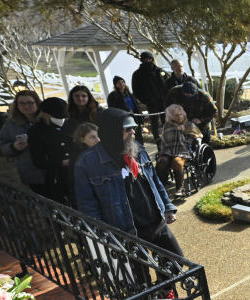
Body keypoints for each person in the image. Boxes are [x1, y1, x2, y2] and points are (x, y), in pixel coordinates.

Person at [73, 108, 182, 256]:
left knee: (177, 266)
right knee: (141, 278)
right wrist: (104, 237)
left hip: (156, 222)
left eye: (133, 128)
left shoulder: (137, 148)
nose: (133, 132)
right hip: (127, 234)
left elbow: (154, 180)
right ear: (111, 131)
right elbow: (88, 206)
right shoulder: (86, 163)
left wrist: (167, 207)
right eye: (127, 129)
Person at [27, 97, 73, 204]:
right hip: (57, 177)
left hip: (78, 172)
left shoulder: (71, 124)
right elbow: (38, 161)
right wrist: (62, 162)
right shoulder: (36, 131)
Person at [0, 90, 45, 193]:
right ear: (17, 105)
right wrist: (13, 147)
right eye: (22, 103)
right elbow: (1, 146)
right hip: (31, 173)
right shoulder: (12, 124)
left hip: (52, 170)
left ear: (37, 103)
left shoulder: (47, 120)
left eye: (30, 103)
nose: (26, 106)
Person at [156, 104, 201, 197]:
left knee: (176, 161)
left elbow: (198, 137)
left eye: (180, 114)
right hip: (168, 151)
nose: (179, 117)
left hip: (183, 150)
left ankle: (180, 188)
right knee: (162, 162)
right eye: (176, 115)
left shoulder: (189, 124)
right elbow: (164, 141)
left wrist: (184, 132)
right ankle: (160, 186)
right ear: (171, 117)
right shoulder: (167, 126)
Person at [132, 51, 168, 147]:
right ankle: (158, 143)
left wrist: (166, 97)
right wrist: (146, 100)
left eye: (149, 58)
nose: (147, 60)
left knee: (166, 122)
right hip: (151, 103)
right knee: (154, 124)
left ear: (152, 59)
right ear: (142, 60)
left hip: (163, 102)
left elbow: (168, 83)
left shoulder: (160, 71)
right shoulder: (137, 74)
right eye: (145, 59)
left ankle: (169, 140)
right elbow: (136, 90)